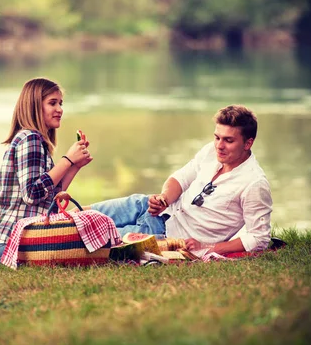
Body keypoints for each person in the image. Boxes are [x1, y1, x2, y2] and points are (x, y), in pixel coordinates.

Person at [87, 105, 272, 257]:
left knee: (87, 236)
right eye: (217, 137)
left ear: (248, 143)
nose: (219, 146)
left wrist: (210, 247)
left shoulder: (254, 183)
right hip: (149, 207)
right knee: (82, 213)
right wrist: (164, 199)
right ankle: (56, 215)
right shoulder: (211, 151)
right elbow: (181, 178)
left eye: (228, 140)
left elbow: (259, 237)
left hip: (165, 237)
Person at [0, 77, 92, 267]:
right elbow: (32, 194)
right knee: (95, 215)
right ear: (35, 106)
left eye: (60, 103)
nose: (59, 109)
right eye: (52, 103)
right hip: (9, 242)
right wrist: (67, 159)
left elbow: (50, 197)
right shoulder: (30, 139)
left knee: (89, 217)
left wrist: (75, 165)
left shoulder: (35, 142)